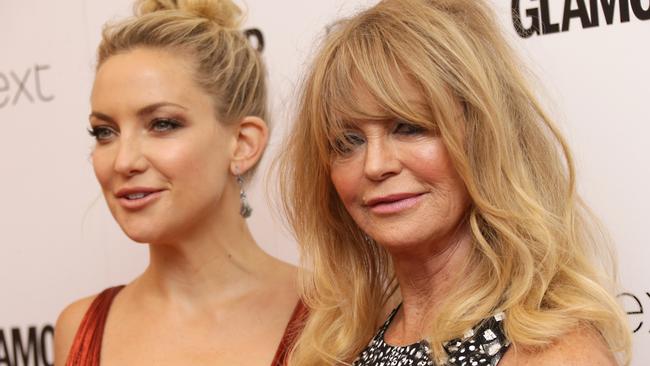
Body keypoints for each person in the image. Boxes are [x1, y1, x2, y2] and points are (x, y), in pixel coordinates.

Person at [278, 0, 632, 365]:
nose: (375, 165)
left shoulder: (550, 353)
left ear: (485, 138)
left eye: (410, 127)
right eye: (348, 142)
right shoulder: (343, 342)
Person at [54, 1, 304, 365]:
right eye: (105, 132)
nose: (123, 161)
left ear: (243, 143)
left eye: (162, 124)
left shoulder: (337, 315)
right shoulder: (78, 329)